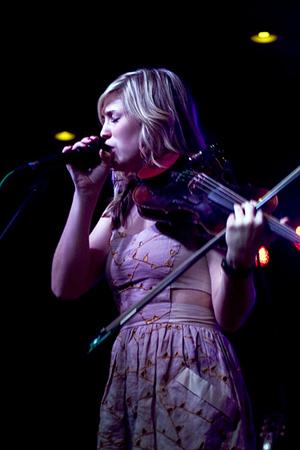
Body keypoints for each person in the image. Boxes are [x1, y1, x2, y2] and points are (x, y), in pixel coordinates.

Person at [51, 67, 270, 449]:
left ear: (153, 117)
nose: (102, 131)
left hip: (192, 369)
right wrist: (85, 194)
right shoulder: (122, 206)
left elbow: (230, 318)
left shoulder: (200, 200)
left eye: (113, 117)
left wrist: (238, 259)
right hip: (131, 372)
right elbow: (65, 286)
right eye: (102, 120)